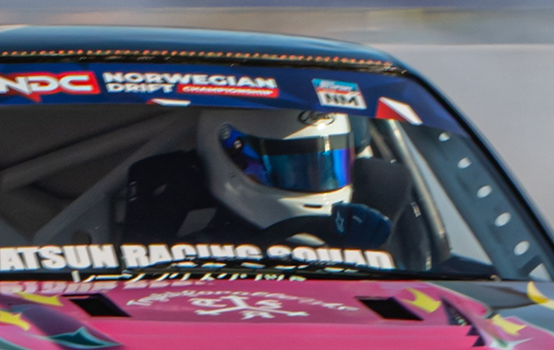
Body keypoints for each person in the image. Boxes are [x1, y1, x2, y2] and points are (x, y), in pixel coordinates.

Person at [114, 106, 396, 251]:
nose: (313, 179)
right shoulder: (191, 255)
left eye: (327, 165)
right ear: (231, 156)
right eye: (293, 166)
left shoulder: (372, 250)